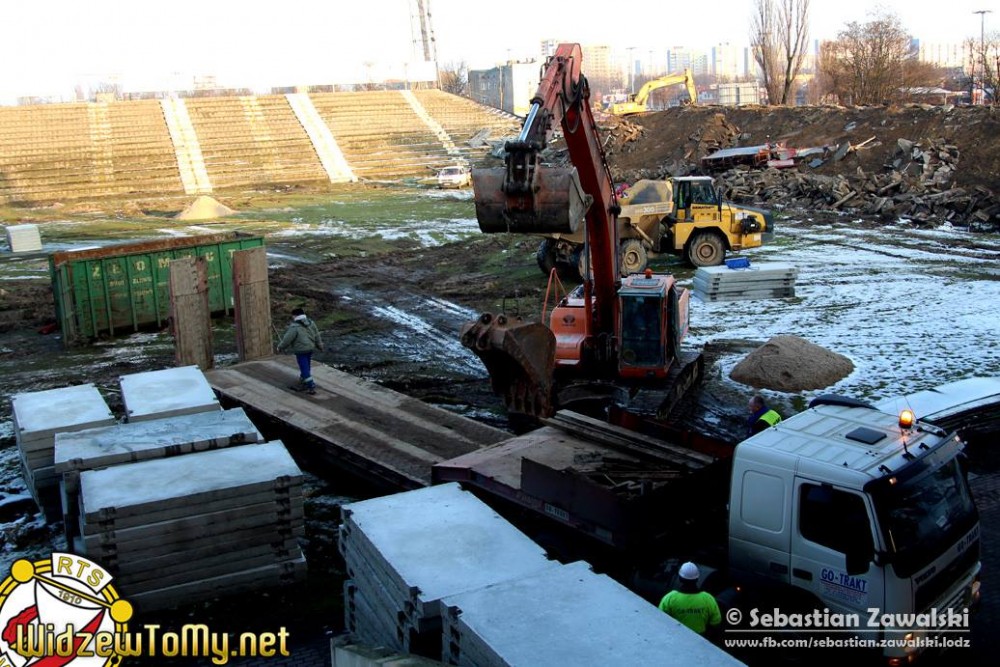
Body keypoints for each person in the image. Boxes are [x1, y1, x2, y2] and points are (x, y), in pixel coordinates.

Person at [658, 562, 721, 636]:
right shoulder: (708, 598)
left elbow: (660, 620)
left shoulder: (669, 598)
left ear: (680, 578)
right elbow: (716, 622)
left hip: (676, 638)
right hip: (701, 640)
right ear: (697, 578)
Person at [277, 307, 323, 395]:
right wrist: (320, 346)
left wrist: (280, 347)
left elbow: (287, 339)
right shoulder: (311, 323)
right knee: (307, 365)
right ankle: (304, 380)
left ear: (295, 315)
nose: (292, 318)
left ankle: (310, 385)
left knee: (304, 367)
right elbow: (317, 335)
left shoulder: (294, 326)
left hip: (301, 350)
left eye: (292, 316)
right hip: (310, 348)